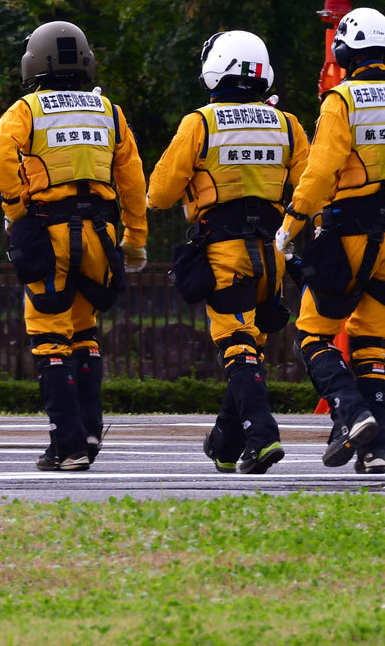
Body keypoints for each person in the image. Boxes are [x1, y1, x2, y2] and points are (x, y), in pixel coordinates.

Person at [277, 7, 385, 472]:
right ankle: (376, 449)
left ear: (345, 52)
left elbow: (320, 172)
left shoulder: (342, 100)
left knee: (312, 335)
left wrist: (292, 222)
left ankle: (352, 415)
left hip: (345, 240)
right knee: (371, 340)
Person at [0, 21, 146, 471]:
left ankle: (68, 444)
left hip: (49, 234)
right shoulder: (108, 113)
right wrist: (136, 239)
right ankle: (90, 431)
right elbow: (133, 181)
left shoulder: (27, 110)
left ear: (35, 61)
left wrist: (16, 208)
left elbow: (0, 157)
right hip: (99, 234)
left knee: (48, 337)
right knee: (85, 331)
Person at [147, 31, 309, 474]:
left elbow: (159, 194)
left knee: (235, 346)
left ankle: (263, 437)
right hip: (272, 255)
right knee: (249, 347)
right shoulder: (288, 125)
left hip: (224, 253)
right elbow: (311, 186)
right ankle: (225, 443)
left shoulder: (200, 123)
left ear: (215, 67)